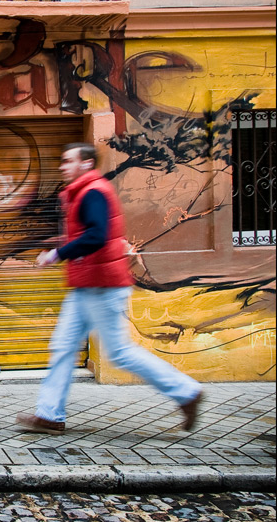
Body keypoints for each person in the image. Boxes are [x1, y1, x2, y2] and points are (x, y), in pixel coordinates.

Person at [16, 142, 203, 435]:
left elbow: (97, 236)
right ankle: (50, 414)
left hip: (103, 286)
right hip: (86, 284)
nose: (62, 166)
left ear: (86, 164)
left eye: (68, 161)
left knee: (119, 353)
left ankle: (186, 391)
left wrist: (56, 254)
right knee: (63, 347)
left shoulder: (93, 193)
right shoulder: (83, 192)